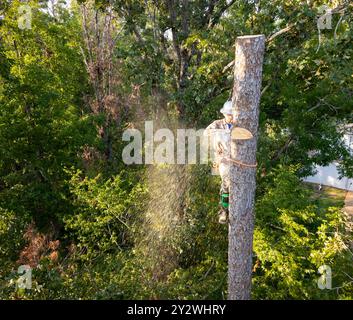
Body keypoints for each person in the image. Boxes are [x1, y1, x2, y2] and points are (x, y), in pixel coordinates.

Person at [204, 100, 235, 224]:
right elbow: (206, 134)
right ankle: (223, 210)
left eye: (233, 114)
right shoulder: (217, 124)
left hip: (237, 160)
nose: (231, 117)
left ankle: (232, 208)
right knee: (226, 181)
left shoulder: (240, 126)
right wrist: (215, 142)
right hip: (222, 159)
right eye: (229, 114)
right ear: (224, 114)